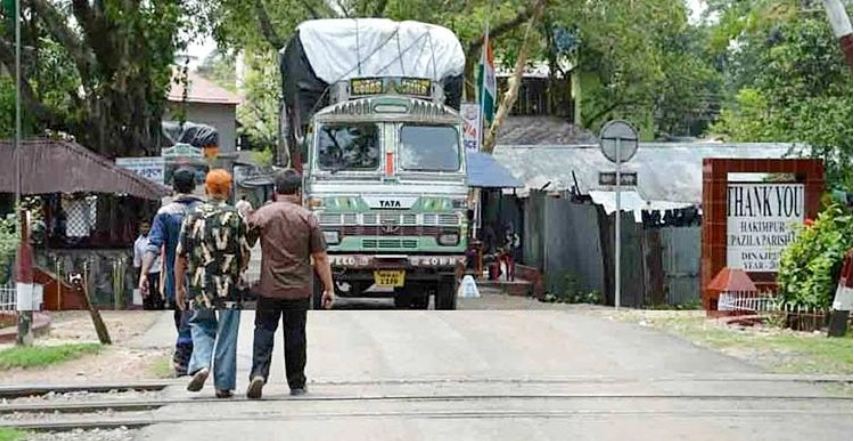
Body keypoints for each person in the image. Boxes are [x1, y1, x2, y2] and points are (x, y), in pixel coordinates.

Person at [245, 169, 334, 399]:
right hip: (298, 289)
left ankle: (259, 373)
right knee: (295, 334)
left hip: (269, 287)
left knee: (264, 329)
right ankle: (296, 383)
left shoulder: (263, 215)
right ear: (298, 192)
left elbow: (245, 243)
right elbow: (320, 257)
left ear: (276, 191)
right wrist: (328, 288)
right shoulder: (308, 218)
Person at [175, 169, 251, 399]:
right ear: (228, 190)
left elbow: (181, 254)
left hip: (200, 284)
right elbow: (244, 252)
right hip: (230, 286)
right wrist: (241, 270)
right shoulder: (236, 217)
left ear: (206, 189)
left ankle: (202, 364)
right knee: (227, 332)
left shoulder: (192, 216)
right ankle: (223, 385)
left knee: (200, 324)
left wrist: (179, 286)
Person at [139, 168, 203, 376]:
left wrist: (144, 273)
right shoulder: (205, 211)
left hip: (176, 275)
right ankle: (193, 355)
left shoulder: (165, 213)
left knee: (182, 312)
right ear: (194, 186)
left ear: (173, 187)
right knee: (193, 314)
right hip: (203, 276)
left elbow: (154, 246)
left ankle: (184, 354)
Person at [133, 221, 164, 310]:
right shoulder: (137, 243)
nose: (145, 229)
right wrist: (138, 271)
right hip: (146, 271)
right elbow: (137, 258)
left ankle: (160, 308)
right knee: (147, 292)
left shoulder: (155, 240)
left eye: (147, 227)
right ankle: (148, 308)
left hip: (157, 269)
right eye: (143, 227)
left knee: (158, 292)